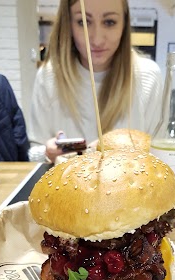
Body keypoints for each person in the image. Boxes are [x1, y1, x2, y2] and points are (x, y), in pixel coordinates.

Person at [28, 0, 163, 163]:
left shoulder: (148, 77)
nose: (97, 40)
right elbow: (34, 152)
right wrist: (46, 152)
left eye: (109, 22)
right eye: (83, 22)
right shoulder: (48, 77)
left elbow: (159, 155)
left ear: (124, 24)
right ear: (68, 24)